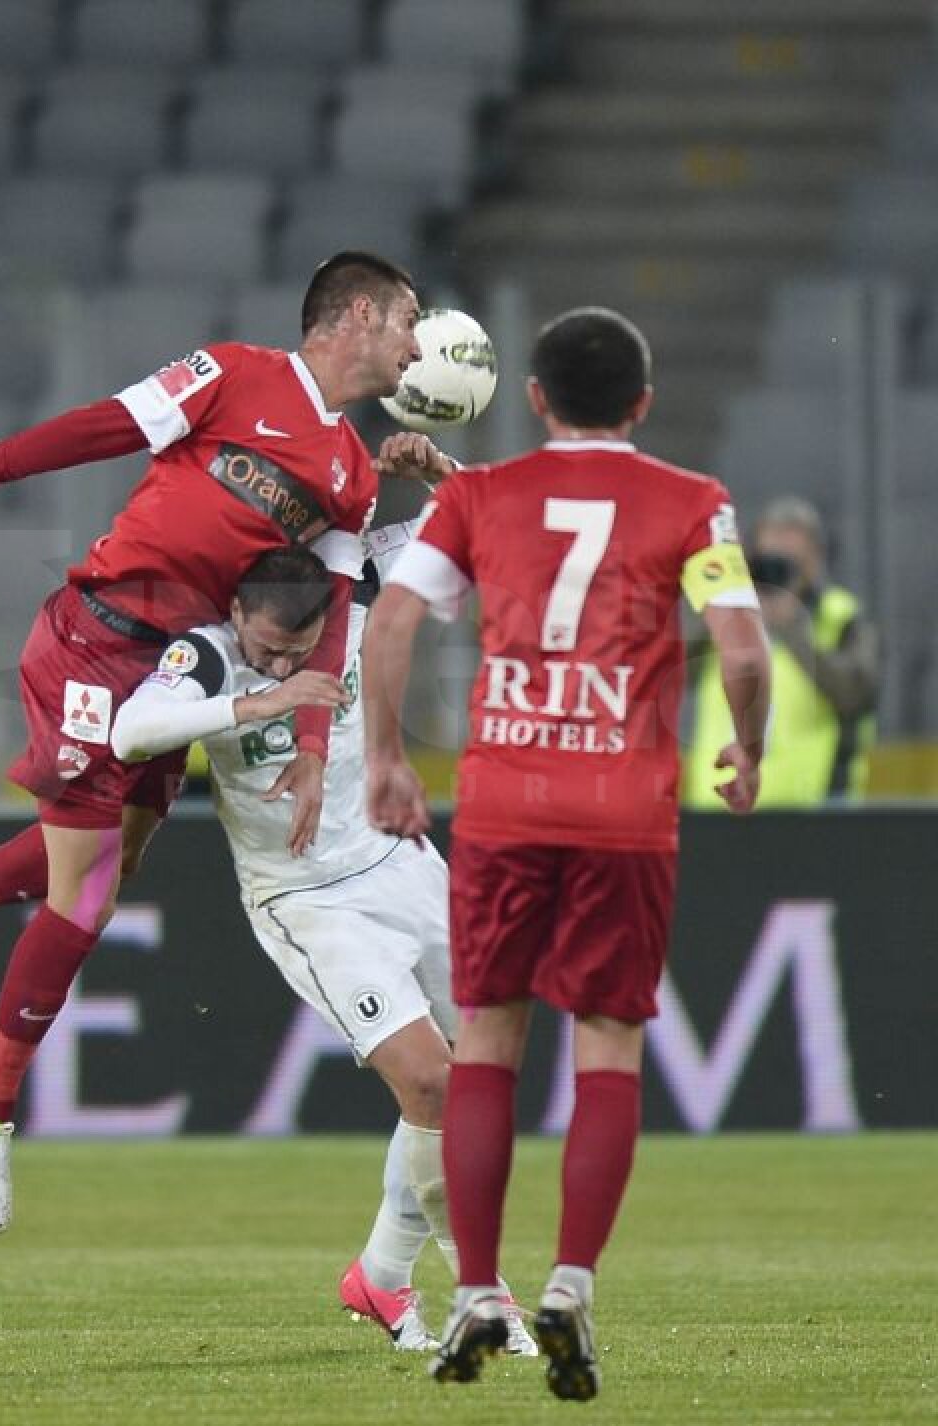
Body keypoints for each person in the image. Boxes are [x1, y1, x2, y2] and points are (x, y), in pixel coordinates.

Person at [0, 252, 423, 1232]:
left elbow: (333, 613)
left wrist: (311, 745)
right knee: (85, 893)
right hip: (95, 635)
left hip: (180, 666)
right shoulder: (234, 373)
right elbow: (103, 426)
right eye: (411, 321)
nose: (418, 347)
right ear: (360, 314)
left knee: (105, 867)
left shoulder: (351, 472)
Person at [362, 307, 773, 1399]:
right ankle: (572, 1284)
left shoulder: (479, 498)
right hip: (623, 812)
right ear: (642, 403)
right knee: (607, 1049)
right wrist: (746, 747)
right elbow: (742, 650)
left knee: (488, 1042)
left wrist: (387, 760)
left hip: (505, 805)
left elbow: (391, 622)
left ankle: (476, 1290)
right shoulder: (694, 502)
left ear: (535, 398)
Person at [108, 533, 536, 1357]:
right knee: (431, 1081)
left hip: (400, 860)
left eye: (296, 653)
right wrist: (257, 702)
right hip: (308, 899)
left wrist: (436, 468)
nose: (280, 665)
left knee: (482, 1077)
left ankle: (381, 1274)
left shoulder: (353, 593)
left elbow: (461, 520)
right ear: (238, 613)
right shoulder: (208, 655)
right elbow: (133, 733)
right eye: (268, 649)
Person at [683, 495, 877, 808]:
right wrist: (724, 595)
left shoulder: (838, 616)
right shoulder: (727, 616)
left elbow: (856, 696)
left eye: (788, 563)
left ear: (814, 561)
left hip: (815, 807)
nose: (775, 574)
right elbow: (675, 669)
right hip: (720, 804)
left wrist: (793, 628)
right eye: (767, 563)